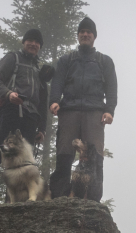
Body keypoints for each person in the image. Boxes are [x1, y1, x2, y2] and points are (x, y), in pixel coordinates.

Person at [0, 29, 48, 205]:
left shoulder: (38, 70)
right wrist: (8, 94)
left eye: (37, 42)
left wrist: (42, 128)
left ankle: (14, 200)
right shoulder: (12, 58)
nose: (33, 44)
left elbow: (42, 101)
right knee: (0, 150)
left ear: (39, 47)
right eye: (30, 40)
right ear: (24, 42)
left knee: (26, 160)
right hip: (11, 111)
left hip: (30, 117)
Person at [49, 17, 117, 202]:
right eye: (82, 32)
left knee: (95, 158)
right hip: (69, 110)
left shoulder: (105, 61)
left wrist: (109, 110)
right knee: (64, 153)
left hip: (95, 112)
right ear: (78, 36)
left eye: (89, 32)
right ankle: (59, 197)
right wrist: (54, 101)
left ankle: (93, 200)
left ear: (94, 36)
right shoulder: (66, 60)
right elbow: (57, 82)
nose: (85, 34)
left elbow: (112, 88)